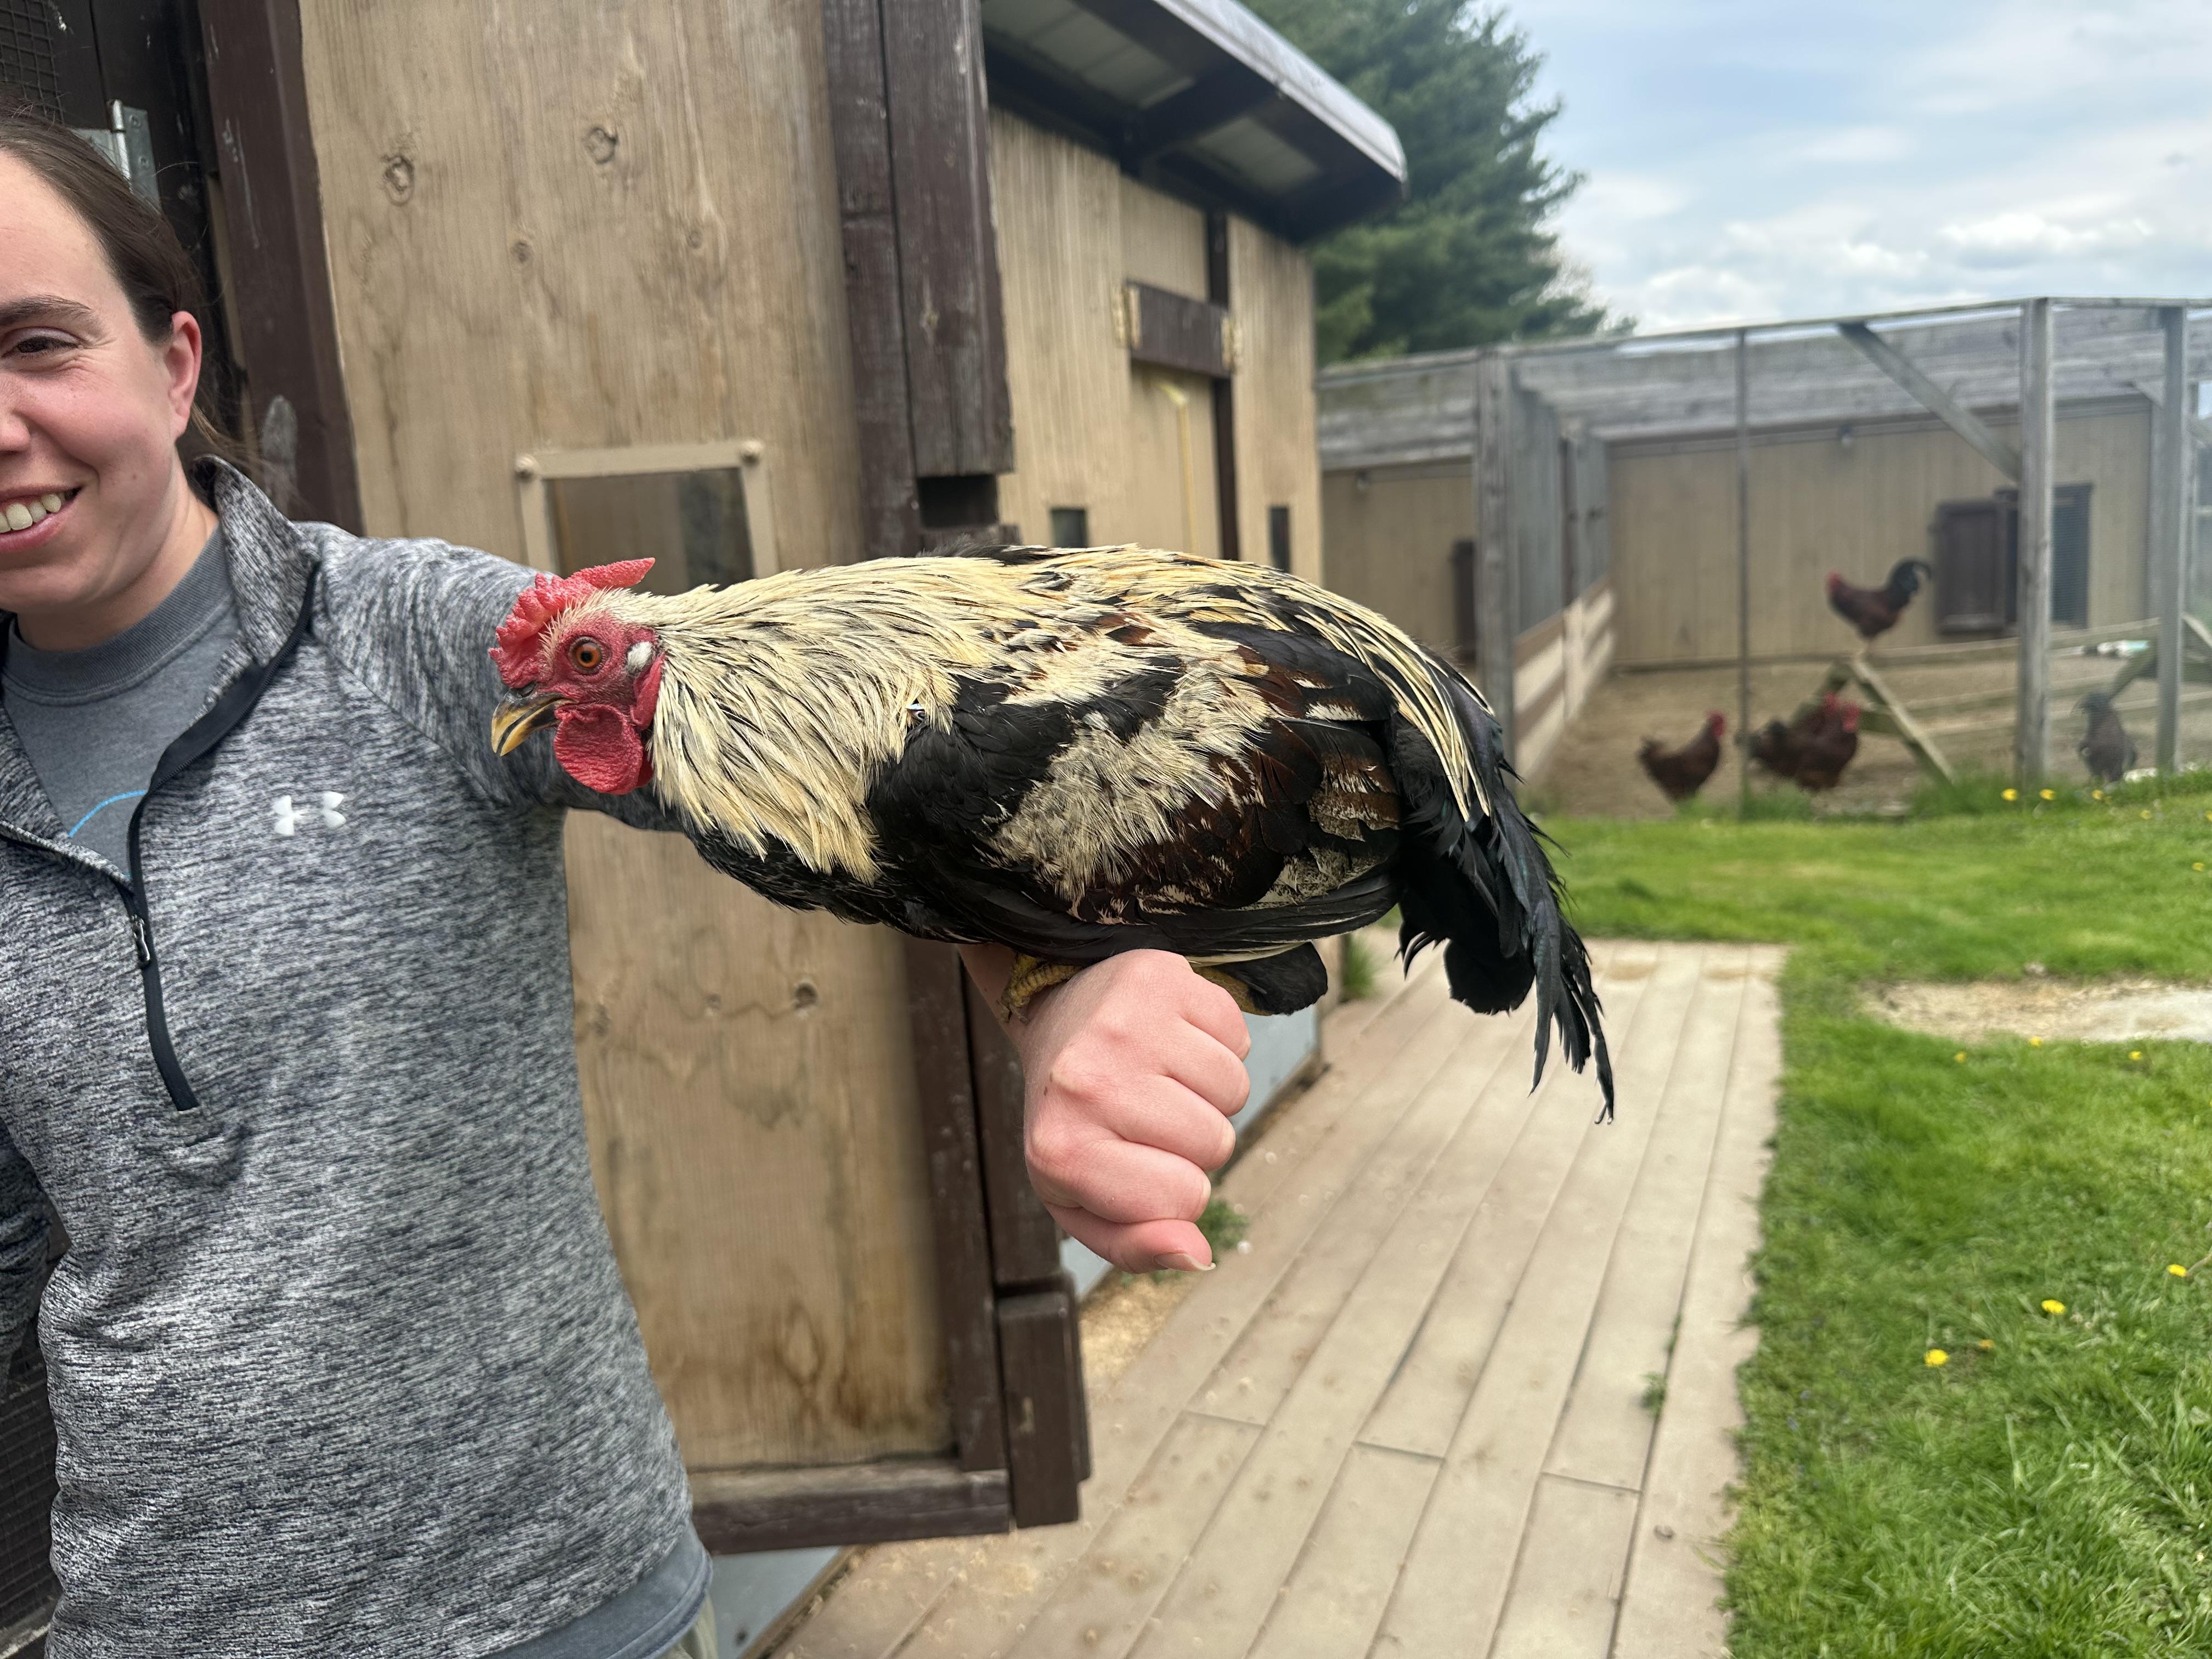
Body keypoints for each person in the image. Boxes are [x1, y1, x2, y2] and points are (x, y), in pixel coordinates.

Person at [0, 107, 1251, 1658]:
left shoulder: (410, 637)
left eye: (37, 344)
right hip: (158, 1623)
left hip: (563, 1606)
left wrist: (1060, 983)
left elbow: (859, 769)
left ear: (174, 361)